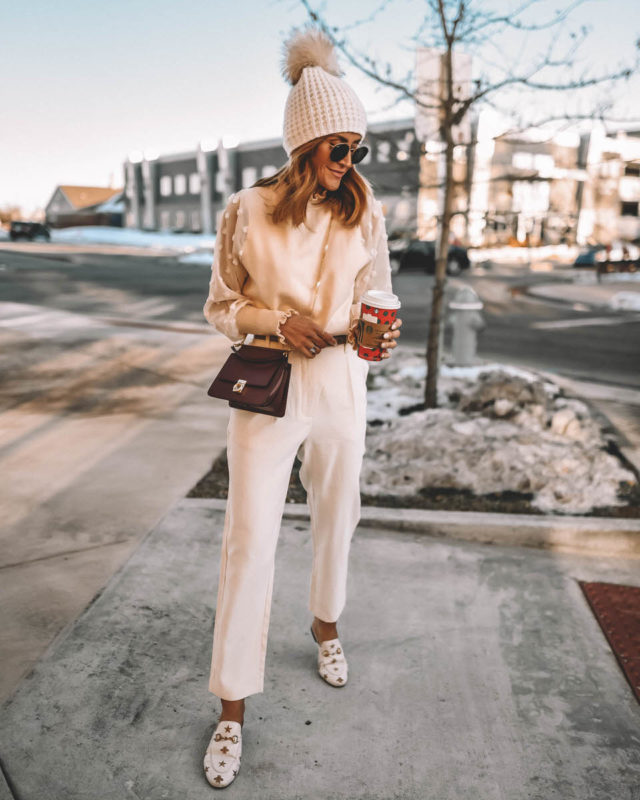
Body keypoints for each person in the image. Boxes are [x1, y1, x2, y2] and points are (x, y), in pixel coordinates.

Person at [201, 25, 402, 789]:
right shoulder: (247, 210)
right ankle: (231, 707)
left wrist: (379, 328)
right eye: (340, 146)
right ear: (306, 144)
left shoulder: (365, 212)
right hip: (268, 389)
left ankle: (326, 626)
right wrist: (274, 321)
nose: (352, 160)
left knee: (335, 517)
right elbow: (221, 306)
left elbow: (376, 297)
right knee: (248, 541)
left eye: (358, 145)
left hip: (341, 384)